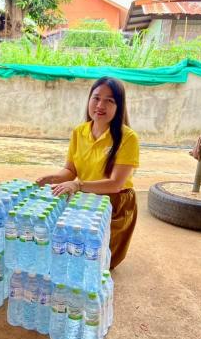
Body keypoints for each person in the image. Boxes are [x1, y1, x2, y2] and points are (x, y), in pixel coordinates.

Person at [36, 77, 139, 269]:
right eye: (96, 98)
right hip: (85, 199)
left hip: (115, 203)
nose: (100, 105)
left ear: (119, 106)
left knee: (100, 263)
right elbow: (71, 170)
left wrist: (78, 185)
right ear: (89, 100)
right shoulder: (79, 132)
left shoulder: (128, 138)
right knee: (75, 256)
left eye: (110, 100)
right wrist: (54, 178)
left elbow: (115, 183)